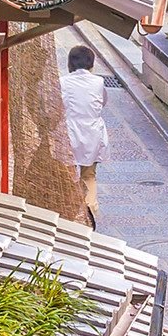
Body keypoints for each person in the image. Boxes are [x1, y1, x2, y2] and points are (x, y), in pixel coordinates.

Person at [58, 41, 108, 224]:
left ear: (69, 64)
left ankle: (71, 215)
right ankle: (90, 213)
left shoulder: (63, 82)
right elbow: (103, 102)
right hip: (93, 133)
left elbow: (56, 106)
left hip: (69, 133)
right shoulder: (99, 82)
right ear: (91, 65)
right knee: (89, 175)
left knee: (68, 174)